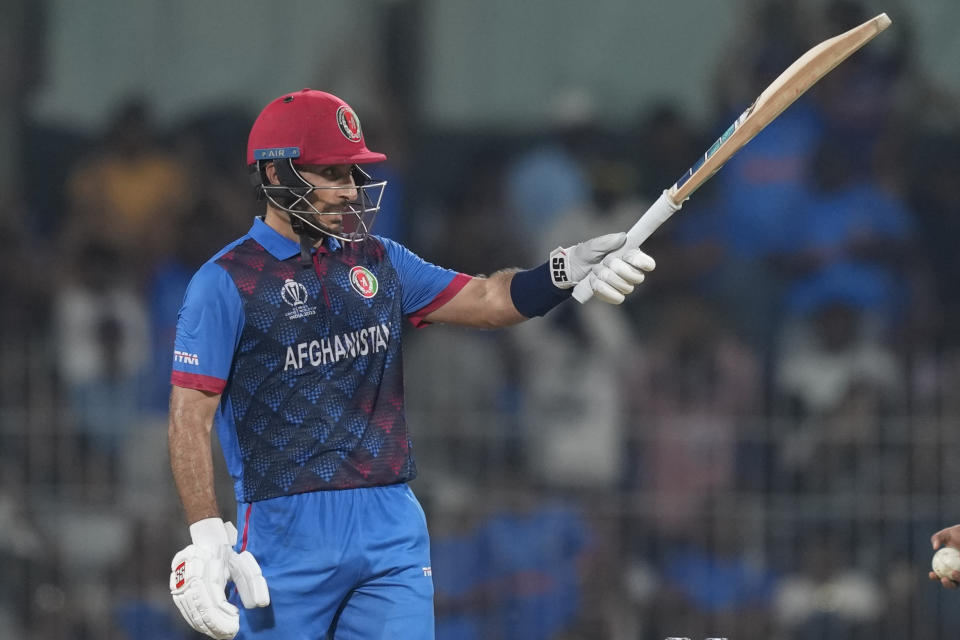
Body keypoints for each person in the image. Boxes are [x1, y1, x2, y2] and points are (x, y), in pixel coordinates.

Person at [166, 88, 656, 640]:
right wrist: (206, 535)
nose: (351, 191)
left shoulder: (380, 260)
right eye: (333, 173)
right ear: (277, 176)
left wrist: (562, 271)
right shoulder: (224, 282)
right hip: (285, 535)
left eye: (354, 174)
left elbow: (489, 300)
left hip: (390, 527)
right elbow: (190, 417)